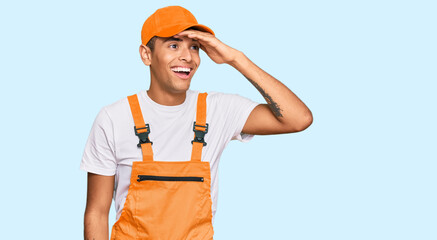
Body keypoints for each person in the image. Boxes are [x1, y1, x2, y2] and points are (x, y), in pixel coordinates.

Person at [81, 5, 313, 240]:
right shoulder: (113, 118)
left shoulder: (218, 110)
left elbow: (299, 119)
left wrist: (235, 58)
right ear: (146, 54)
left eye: (194, 47)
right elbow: (97, 214)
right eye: (174, 45)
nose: (187, 57)